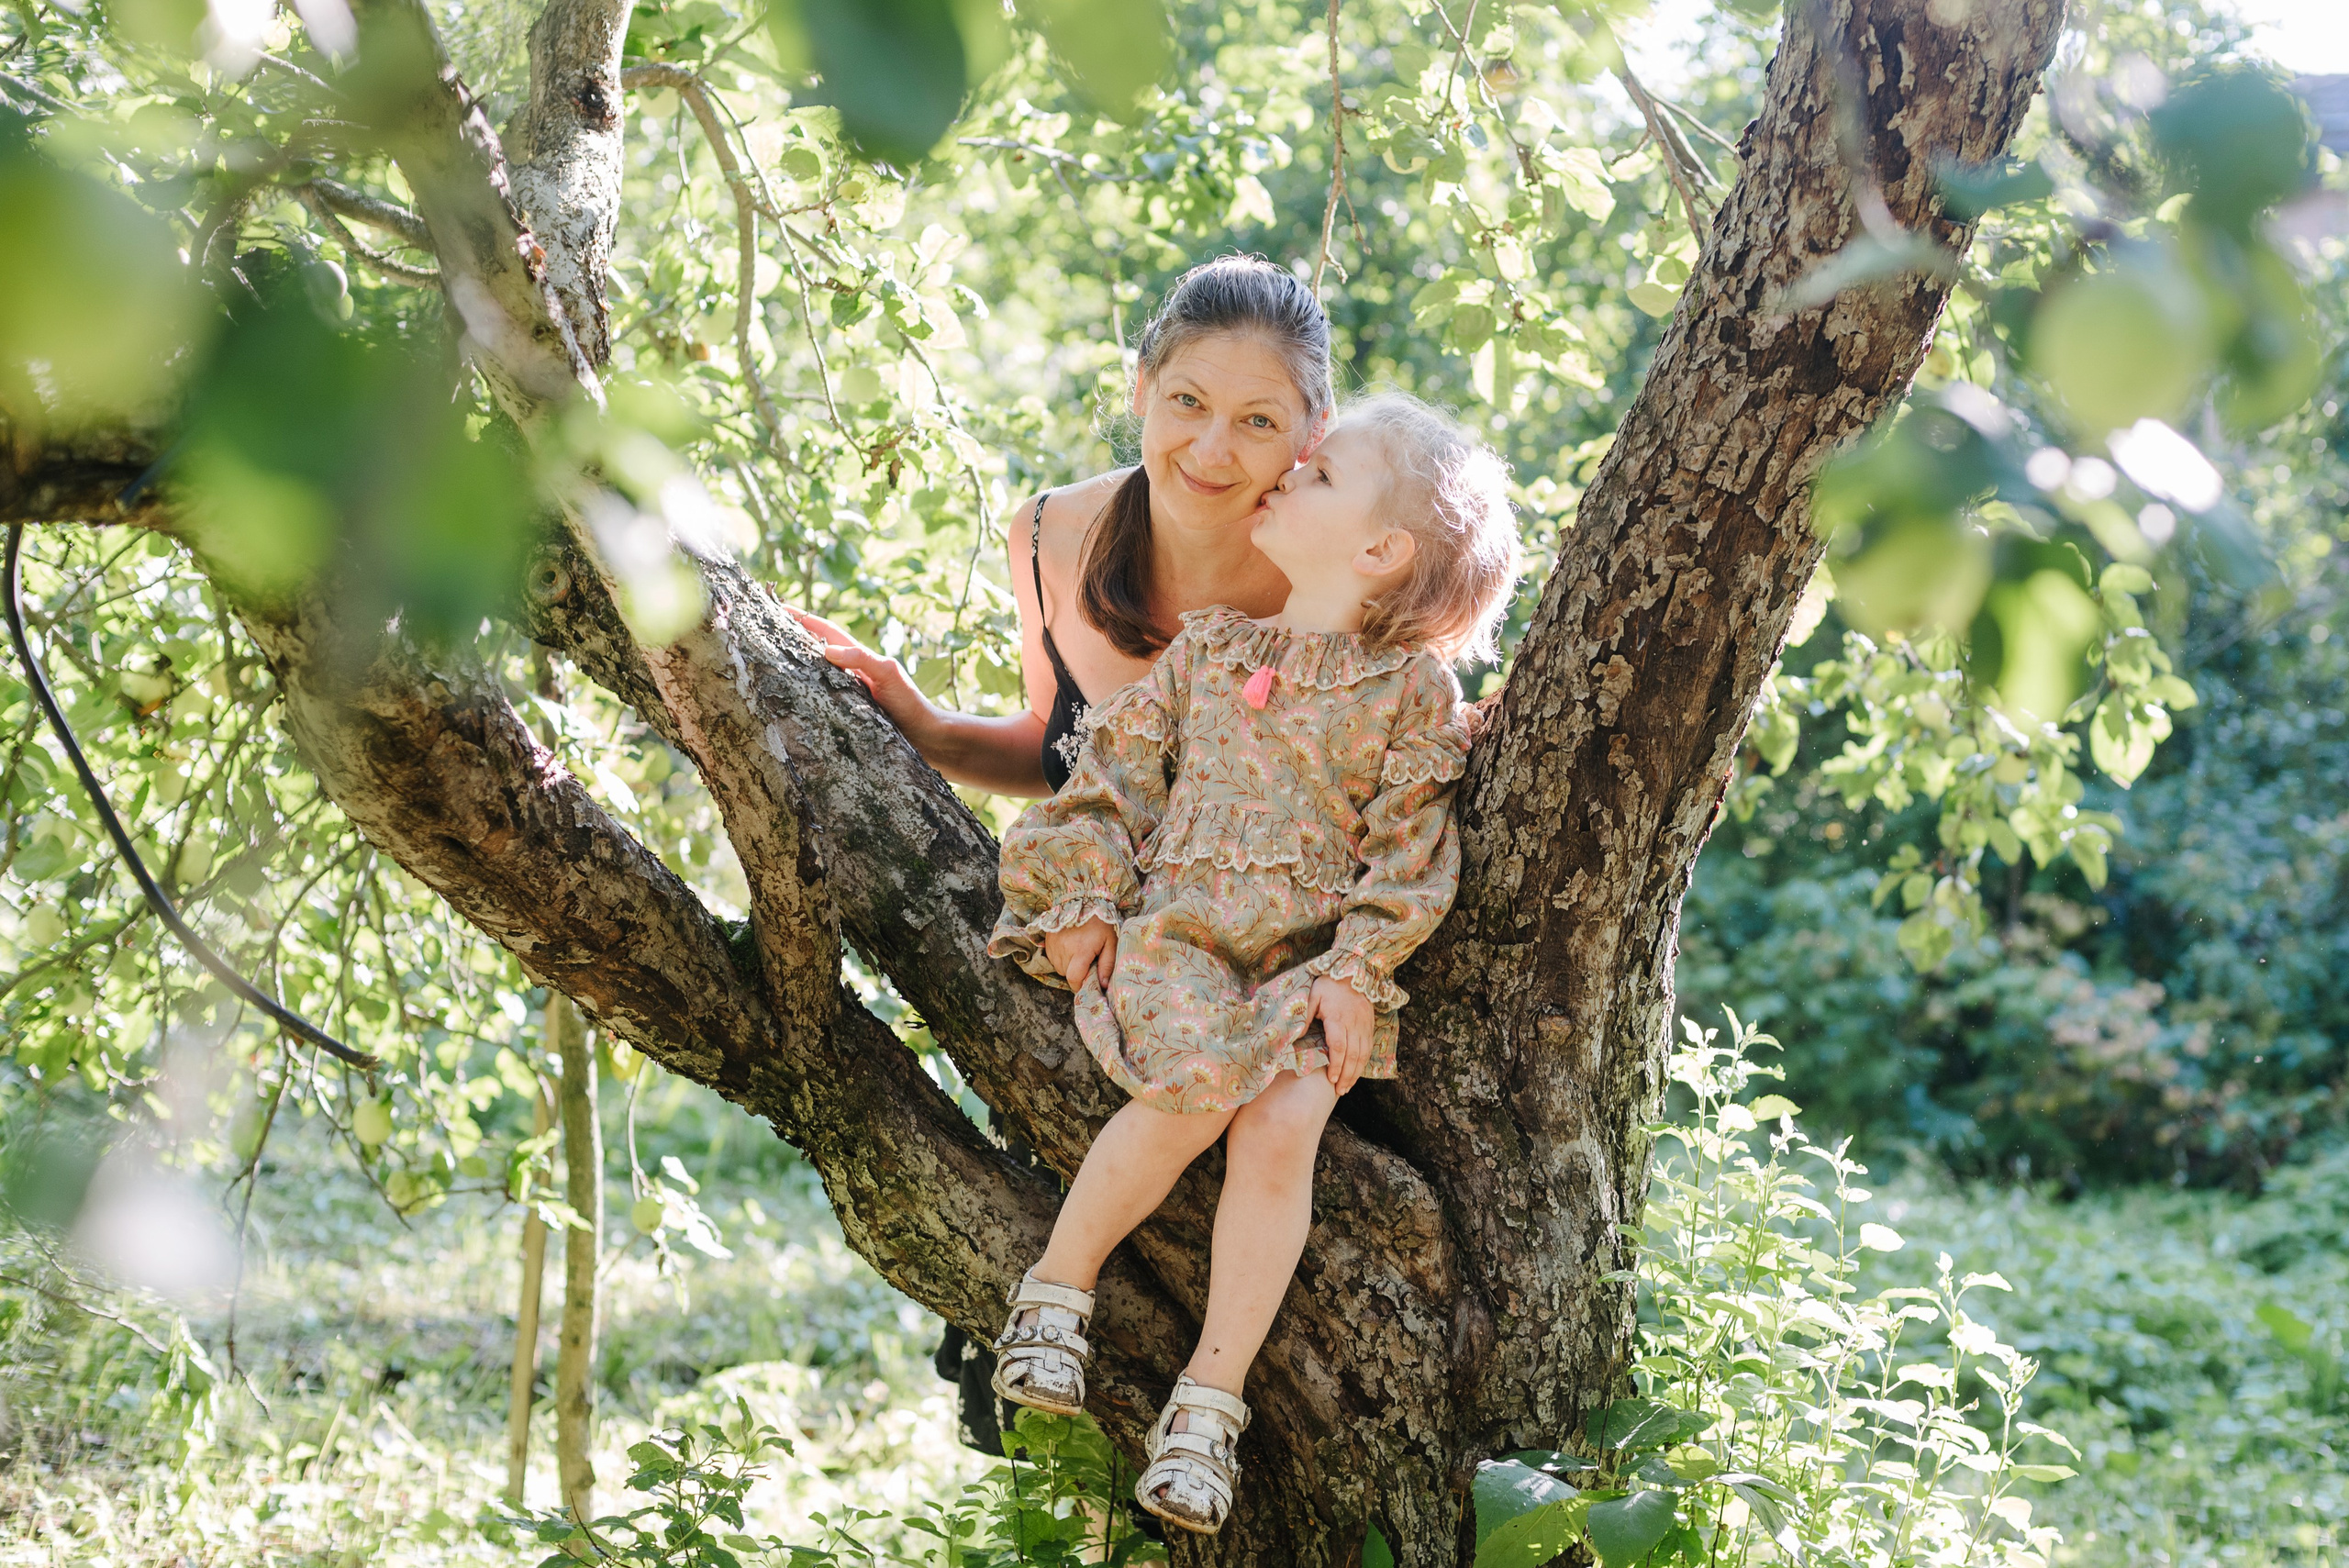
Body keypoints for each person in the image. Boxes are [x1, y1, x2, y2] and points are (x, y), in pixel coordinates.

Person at [983, 393, 1521, 1534]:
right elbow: (1113, 778)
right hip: (1185, 937)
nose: (1288, 476)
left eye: (1320, 476)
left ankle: (1207, 1405)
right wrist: (1078, 893)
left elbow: (1410, 846)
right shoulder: (1212, 650)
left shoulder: (1410, 695)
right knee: (1189, 1092)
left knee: (1280, 1128)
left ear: (1379, 552)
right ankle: (1054, 1289)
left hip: (1308, 965)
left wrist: (1358, 967)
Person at [791, 253, 1335, 798]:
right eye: (1188, 401)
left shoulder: (1350, 576)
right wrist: (928, 728)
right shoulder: (1046, 536)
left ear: (1314, 432)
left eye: (1258, 420)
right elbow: (1057, 753)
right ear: (1143, 385)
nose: (1212, 452)